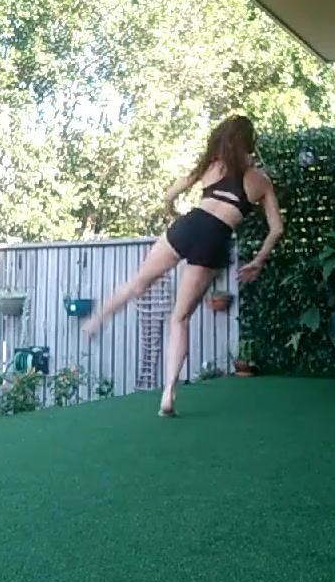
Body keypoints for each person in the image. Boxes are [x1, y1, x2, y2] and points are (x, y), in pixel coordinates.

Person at [83, 115, 283, 415]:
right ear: (250, 142)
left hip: (190, 224)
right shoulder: (261, 181)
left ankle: (97, 319)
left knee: (138, 283)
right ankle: (168, 393)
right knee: (179, 319)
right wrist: (258, 260)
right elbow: (277, 229)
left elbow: (171, 194)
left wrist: (172, 211)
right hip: (215, 237)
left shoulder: (213, 165)